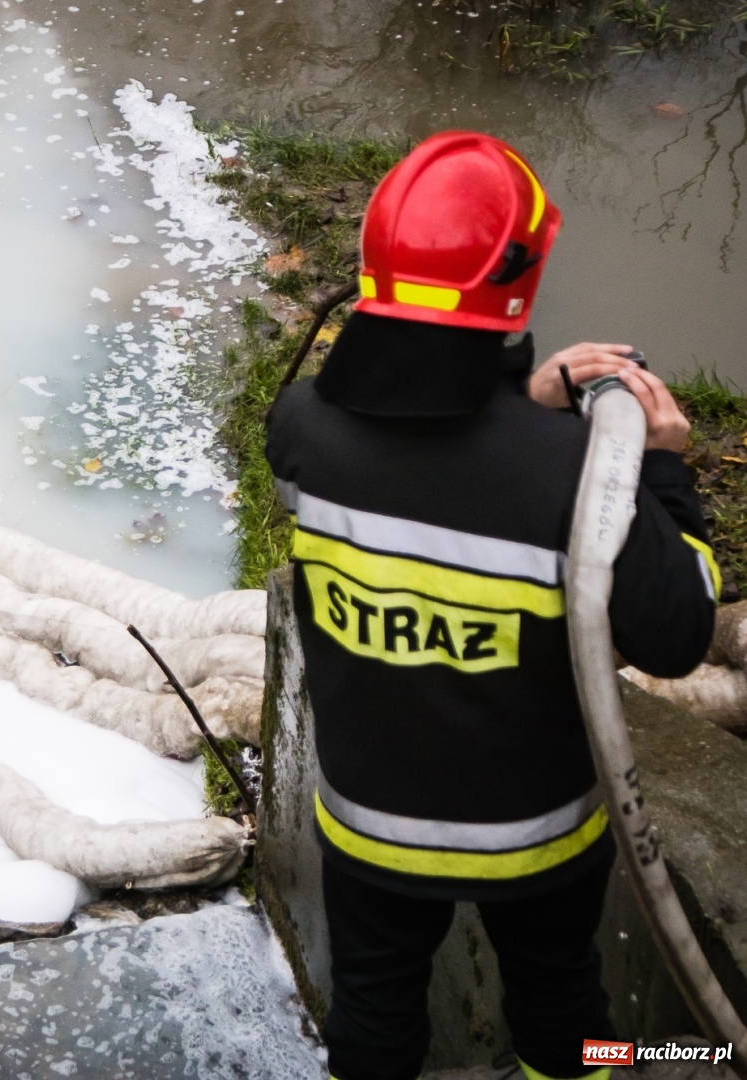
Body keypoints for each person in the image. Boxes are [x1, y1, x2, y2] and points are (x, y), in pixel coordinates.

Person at [263, 131, 718, 1080]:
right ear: (524, 278)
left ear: (376, 268)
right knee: (569, 1012)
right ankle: (595, 1068)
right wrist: (661, 469)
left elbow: (424, 451)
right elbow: (676, 636)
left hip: (369, 825)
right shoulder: (573, 474)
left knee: (373, 1015)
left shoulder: (300, 427)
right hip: (539, 840)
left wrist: (516, 393)